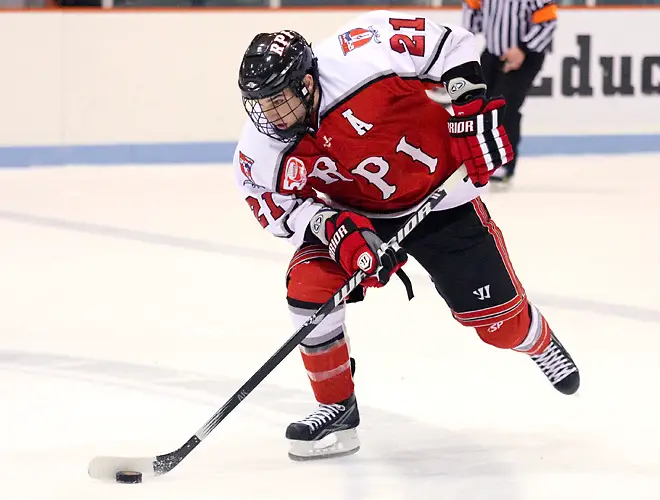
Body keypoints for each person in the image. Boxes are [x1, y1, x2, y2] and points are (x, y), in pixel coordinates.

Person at [233, 10, 579, 462]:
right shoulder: (263, 145)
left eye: (280, 100)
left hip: (442, 194)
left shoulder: (365, 51)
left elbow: (453, 45)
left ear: (307, 81)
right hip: (355, 216)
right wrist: (334, 230)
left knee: (498, 325)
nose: (271, 116)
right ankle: (337, 408)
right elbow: (273, 203)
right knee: (309, 292)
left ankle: (536, 340)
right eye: (261, 104)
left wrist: (470, 113)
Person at [463, 0, 557, 186]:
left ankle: (504, 164)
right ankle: (481, 159)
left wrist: (522, 48)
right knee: (478, 104)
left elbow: (548, 22)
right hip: (492, 52)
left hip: (528, 54)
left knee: (505, 106)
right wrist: (463, 43)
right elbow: (472, 11)